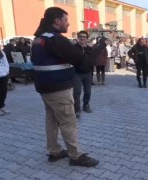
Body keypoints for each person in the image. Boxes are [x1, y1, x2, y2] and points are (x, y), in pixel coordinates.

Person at [31, 7, 105, 167]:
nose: (68, 23)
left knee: (51, 120)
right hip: (58, 89)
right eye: (66, 20)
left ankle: (54, 151)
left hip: (45, 88)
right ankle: (76, 155)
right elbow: (83, 61)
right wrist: (99, 47)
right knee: (68, 121)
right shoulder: (55, 39)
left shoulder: (39, 37)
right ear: (57, 21)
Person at [72, 31, 97, 118]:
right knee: (77, 92)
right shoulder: (74, 48)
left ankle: (86, 105)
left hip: (87, 73)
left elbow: (93, 60)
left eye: (84, 37)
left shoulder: (90, 49)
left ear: (87, 38)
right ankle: (77, 109)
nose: (82, 38)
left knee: (88, 91)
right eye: (81, 36)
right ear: (78, 38)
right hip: (77, 73)